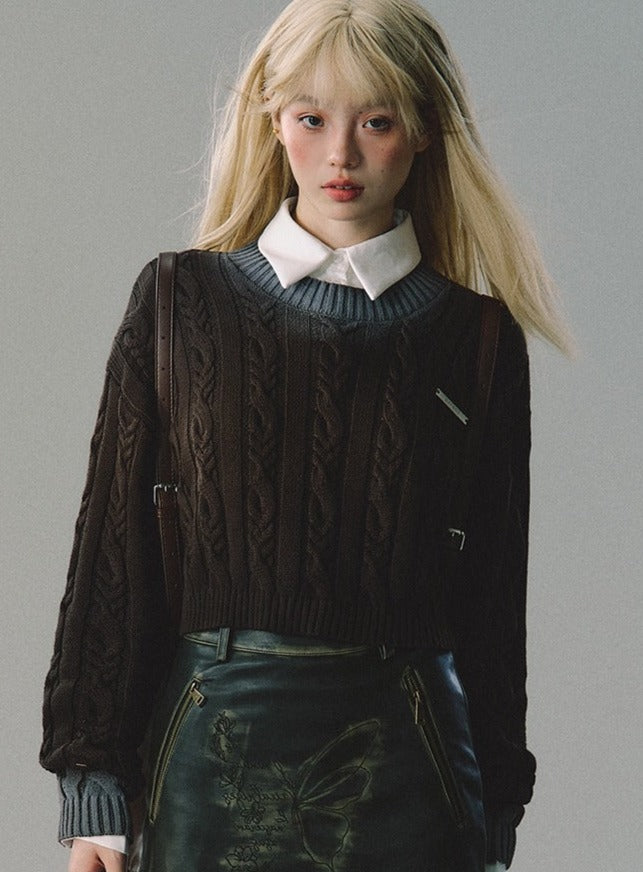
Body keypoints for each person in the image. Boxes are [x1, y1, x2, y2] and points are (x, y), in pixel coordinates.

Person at [40, 1, 571, 870]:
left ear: (425, 129)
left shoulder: (474, 338)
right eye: (312, 118)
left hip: (417, 770)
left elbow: (489, 594)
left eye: (376, 121)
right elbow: (114, 551)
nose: (340, 155)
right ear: (273, 120)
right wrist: (94, 790)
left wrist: (497, 811)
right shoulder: (179, 304)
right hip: (208, 758)